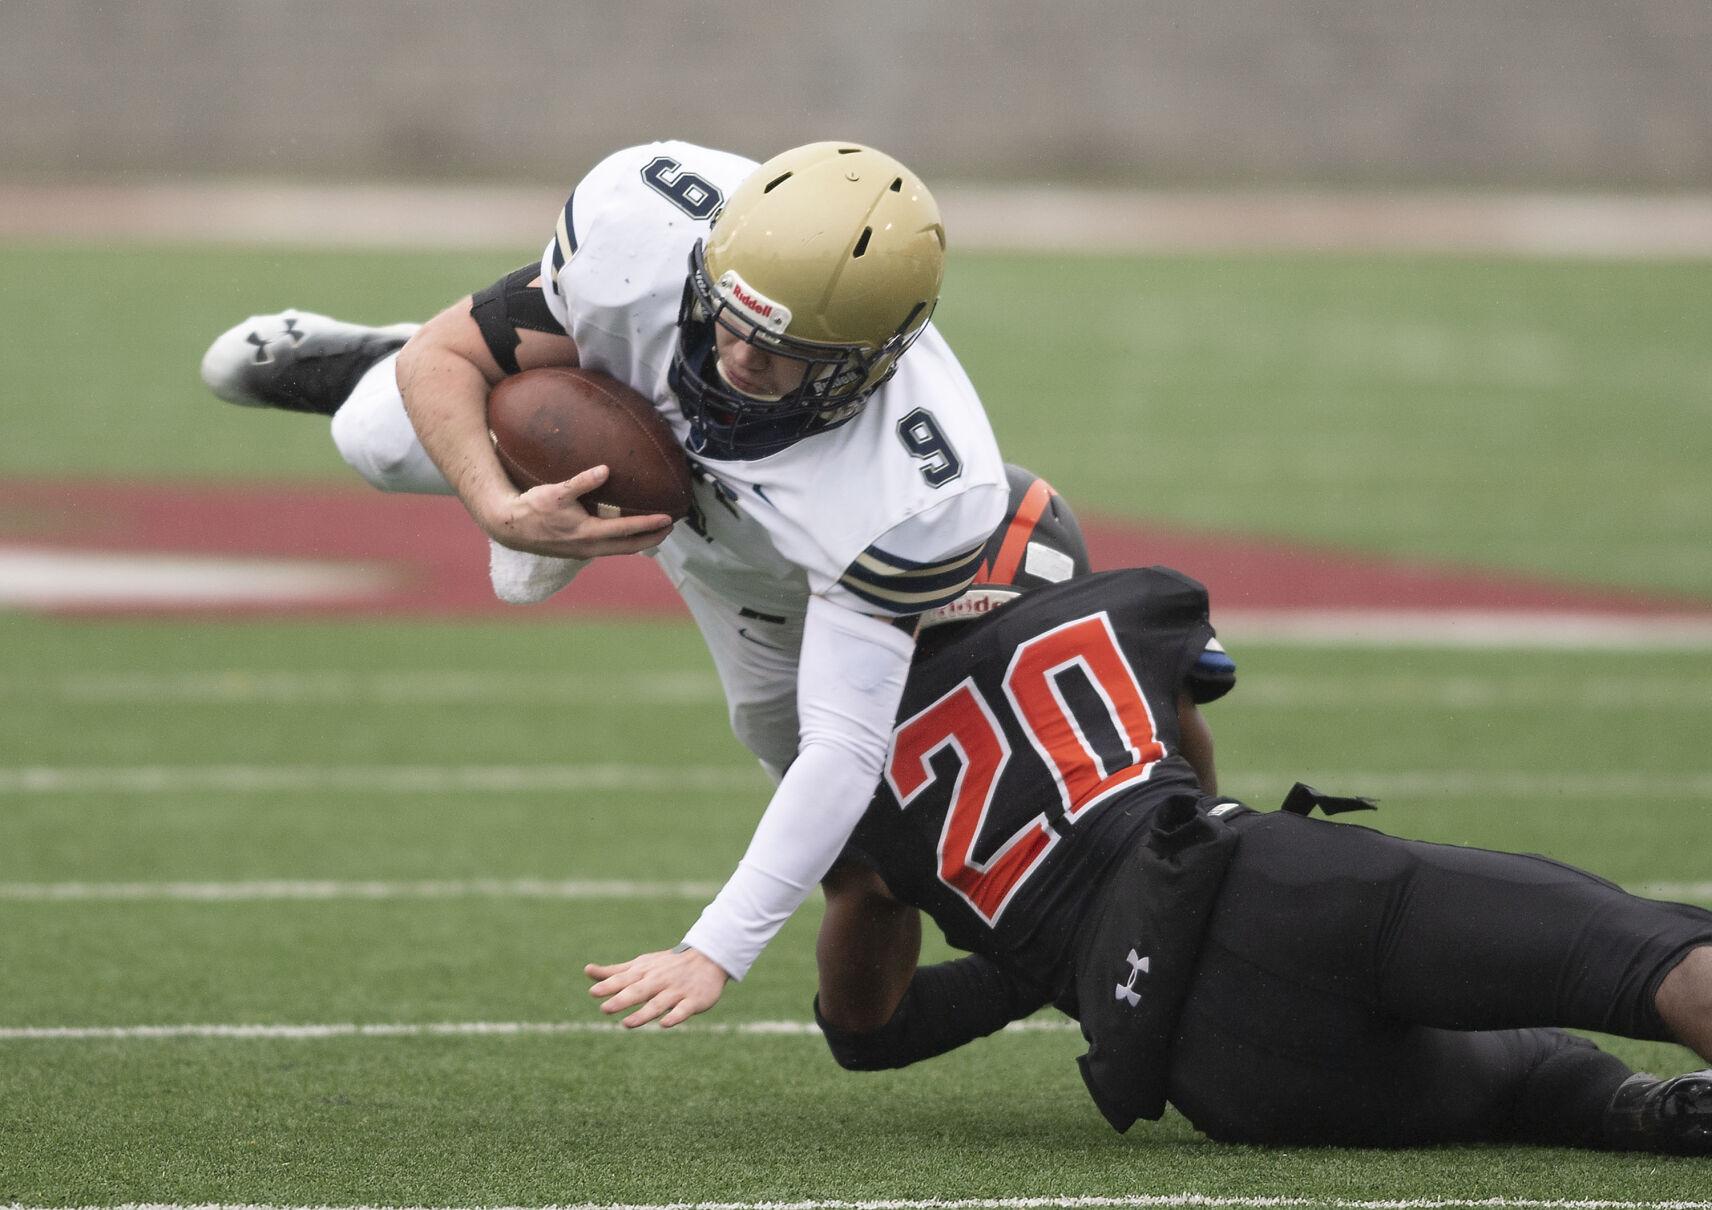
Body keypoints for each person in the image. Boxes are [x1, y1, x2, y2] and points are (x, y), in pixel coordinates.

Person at [199, 141, 1009, 1025]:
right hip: (608, 408)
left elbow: (844, 748)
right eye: (727, 317)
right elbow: (444, 358)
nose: (738, 357)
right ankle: (396, 368)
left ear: (872, 358)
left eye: (783, 352)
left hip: (764, 576)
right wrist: (501, 510)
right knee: (377, 438)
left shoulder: (923, 489)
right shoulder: (645, 226)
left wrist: (714, 949)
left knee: (832, 818)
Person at [806, 467, 1712, 1154]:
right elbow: (1187, 808)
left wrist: (1046, 957)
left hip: (1217, 1072)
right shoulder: (1117, 615)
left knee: (1528, 1083)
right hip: (1283, 896)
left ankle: (1634, 1107)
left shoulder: (859, 774)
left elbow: (868, 1033)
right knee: (1638, 954)